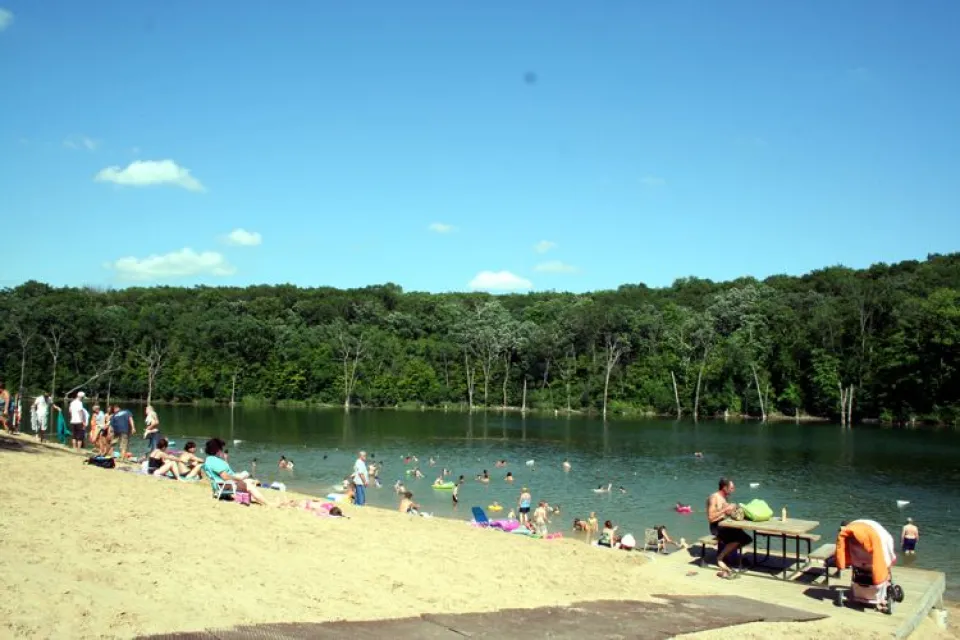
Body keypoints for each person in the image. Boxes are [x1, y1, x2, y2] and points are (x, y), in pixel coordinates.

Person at [202, 438, 271, 506]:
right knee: (248, 484)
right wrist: (239, 477)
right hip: (225, 485)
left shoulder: (209, 460)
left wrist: (238, 475)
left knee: (251, 481)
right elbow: (225, 477)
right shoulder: (215, 461)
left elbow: (222, 475)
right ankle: (268, 504)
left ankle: (252, 498)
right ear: (217, 450)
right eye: (221, 449)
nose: (222, 451)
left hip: (219, 485)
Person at [707, 477, 752, 579]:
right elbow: (710, 517)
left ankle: (729, 556)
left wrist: (733, 509)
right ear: (724, 487)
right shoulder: (714, 497)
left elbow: (726, 512)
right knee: (738, 538)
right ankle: (721, 558)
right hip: (716, 526)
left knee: (747, 538)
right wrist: (726, 509)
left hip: (724, 524)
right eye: (731, 488)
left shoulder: (724, 497)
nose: (733, 490)